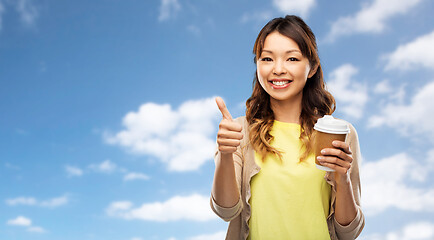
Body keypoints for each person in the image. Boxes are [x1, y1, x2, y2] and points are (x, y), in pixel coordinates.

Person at [210, 15, 365, 240]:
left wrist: (343, 178)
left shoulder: (340, 134)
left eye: (292, 59)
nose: (278, 69)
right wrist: (225, 154)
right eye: (267, 59)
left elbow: (348, 232)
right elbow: (225, 210)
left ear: (312, 68)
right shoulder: (238, 131)